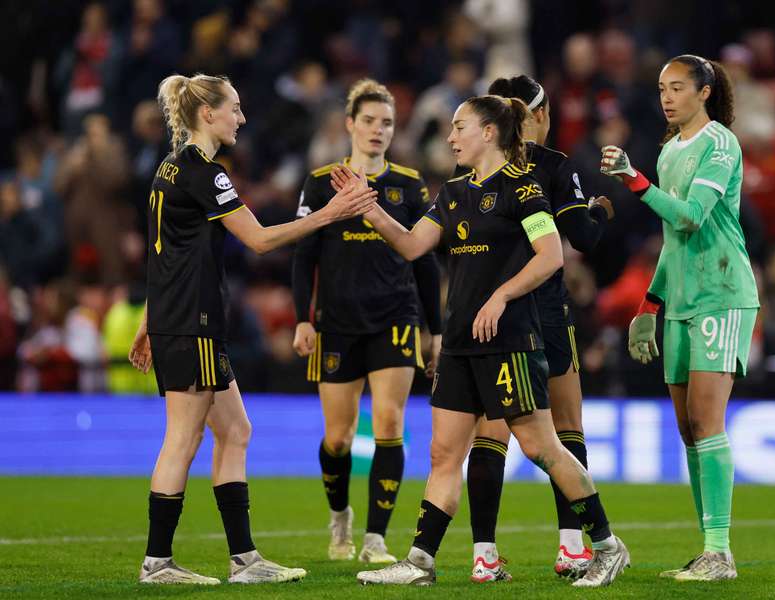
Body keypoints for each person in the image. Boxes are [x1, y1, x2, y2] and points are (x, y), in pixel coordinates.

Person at [345, 94, 629, 588]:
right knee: (443, 454)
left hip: (509, 341)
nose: (451, 137)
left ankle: (606, 546)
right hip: (459, 342)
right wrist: (370, 210)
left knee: (542, 447)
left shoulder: (524, 190)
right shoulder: (452, 193)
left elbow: (549, 257)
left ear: (490, 133)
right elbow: (414, 244)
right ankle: (420, 561)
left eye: (459, 127)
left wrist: (501, 296)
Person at [127, 73, 377, 585]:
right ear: (207, 114)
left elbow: (162, 256)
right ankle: (156, 563)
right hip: (192, 322)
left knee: (236, 431)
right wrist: (330, 213)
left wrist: (148, 321)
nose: (241, 118)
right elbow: (260, 240)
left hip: (181, 320)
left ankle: (244, 561)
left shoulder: (168, 170)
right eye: (234, 109)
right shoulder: (204, 172)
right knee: (183, 436)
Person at [601, 54, 759, 581]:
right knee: (689, 428)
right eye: (661, 89)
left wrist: (635, 182)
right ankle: (709, 550)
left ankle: (721, 552)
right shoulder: (671, 150)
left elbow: (691, 217)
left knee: (707, 421)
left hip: (722, 292)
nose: (666, 97)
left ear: (704, 92)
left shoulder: (721, 144)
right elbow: (671, 242)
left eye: (677, 88)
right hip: (683, 299)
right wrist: (650, 303)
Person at [460, 75, 614, 582]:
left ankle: (484, 551)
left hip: (491, 314)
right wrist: (599, 211)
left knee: (492, 433)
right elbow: (583, 240)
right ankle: (573, 546)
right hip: (544, 313)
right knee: (564, 429)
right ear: (541, 115)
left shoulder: (476, 177)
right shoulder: (552, 167)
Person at [291, 79, 442, 564]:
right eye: (370, 121)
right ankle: (341, 520)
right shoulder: (320, 182)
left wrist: (434, 328)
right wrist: (302, 319)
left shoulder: (408, 184)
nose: (379, 130)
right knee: (338, 436)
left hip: (395, 317)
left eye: (388, 123)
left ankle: (376, 537)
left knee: (390, 423)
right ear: (350, 125)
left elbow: (425, 262)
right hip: (336, 321)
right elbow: (303, 257)